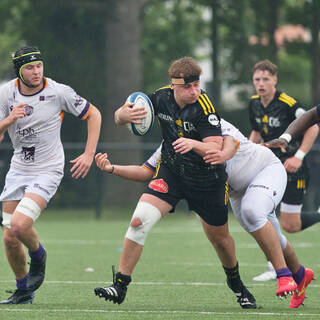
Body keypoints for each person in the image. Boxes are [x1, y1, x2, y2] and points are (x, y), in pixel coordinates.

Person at [95, 117, 313, 309]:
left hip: (265, 170)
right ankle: (301, 275)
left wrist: (199, 145)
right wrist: (111, 168)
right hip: (237, 190)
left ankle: (283, 275)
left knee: (252, 213)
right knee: (270, 235)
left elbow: (228, 147)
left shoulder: (211, 122)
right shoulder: (173, 139)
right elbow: (146, 171)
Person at [94, 57, 257, 309]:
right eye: (187, 87)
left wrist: (194, 144)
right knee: (139, 220)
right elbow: (119, 117)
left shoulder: (204, 107)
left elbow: (214, 148)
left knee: (221, 241)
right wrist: (122, 115)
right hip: (172, 173)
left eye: (196, 85)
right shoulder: (159, 98)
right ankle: (119, 285)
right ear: (174, 86)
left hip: (208, 181)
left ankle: (237, 284)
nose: (194, 91)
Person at [0, 46, 101, 304]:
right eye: (29, 68)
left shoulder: (58, 91)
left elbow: (94, 115)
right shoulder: (5, 93)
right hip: (19, 168)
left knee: (20, 225)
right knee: (10, 238)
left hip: (48, 169)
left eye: (39, 66)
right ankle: (24, 291)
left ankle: (38, 255)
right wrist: (9, 120)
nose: (36, 72)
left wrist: (89, 154)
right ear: (19, 71)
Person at [248, 60, 319, 281]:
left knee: (290, 225)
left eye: (265, 79)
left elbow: (313, 126)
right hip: (268, 167)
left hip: (292, 169)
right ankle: (275, 267)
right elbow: (256, 132)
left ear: (275, 80)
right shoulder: (253, 103)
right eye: (257, 79)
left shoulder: (288, 103)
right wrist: (249, 154)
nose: (261, 84)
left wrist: (298, 157)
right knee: (263, 214)